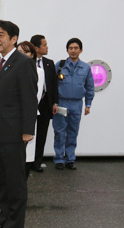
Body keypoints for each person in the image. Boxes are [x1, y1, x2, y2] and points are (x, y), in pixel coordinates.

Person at [0, 20, 37, 228]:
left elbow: (29, 99)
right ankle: (3, 218)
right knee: (0, 180)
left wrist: (27, 130)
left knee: (15, 182)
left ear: (14, 39)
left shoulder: (23, 63)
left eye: (1, 35)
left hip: (13, 133)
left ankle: (14, 225)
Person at [52, 38, 95, 170]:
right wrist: (53, 102)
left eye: (76, 48)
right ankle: (59, 159)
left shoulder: (86, 67)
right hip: (61, 102)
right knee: (59, 132)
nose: (73, 50)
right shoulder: (60, 65)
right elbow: (53, 86)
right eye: (71, 48)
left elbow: (90, 87)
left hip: (77, 104)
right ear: (67, 50)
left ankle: (70, 159)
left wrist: (88, 104)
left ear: (80, 50)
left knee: (72, 132)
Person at [30, 35, 59, 172]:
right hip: (30, 103)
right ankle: (26, 161)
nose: (47, 47)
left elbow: (53, 85)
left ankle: (37, 162)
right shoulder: (26, 62)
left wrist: (55, 103)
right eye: (44, 45)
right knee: (29, 133)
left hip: (45, 103)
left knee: (42, 134)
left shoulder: (49, 63)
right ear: (36, 48)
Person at [16, 41, 45, 178]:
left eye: (26, 52)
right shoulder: (12, 68)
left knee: (27, 154)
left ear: (32, 54)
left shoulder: (38, 71)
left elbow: (35, 96)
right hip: (12, 117)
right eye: (19, 51)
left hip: (29, 115)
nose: (22, 55)